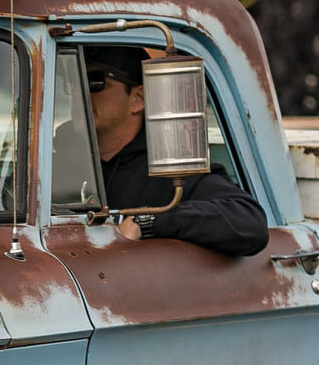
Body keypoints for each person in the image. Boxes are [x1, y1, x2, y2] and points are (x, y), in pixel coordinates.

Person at [83, 46, 267, 256]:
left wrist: (146, 222)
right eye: (73, 80)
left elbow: (248, 221)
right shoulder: (56, 164)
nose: (80, 91)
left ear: (139, 99)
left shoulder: (170, 169)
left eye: (94, 82)